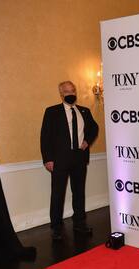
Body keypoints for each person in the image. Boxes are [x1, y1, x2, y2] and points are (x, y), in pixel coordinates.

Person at [41, 81, 98, 240]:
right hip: (59, 159)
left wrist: (87, 141)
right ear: (61, 93)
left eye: (73, 90)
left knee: (79, 192)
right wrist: (48, 159)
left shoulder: (84, 111)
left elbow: (94, 128)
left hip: (79, 157)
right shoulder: (52, 112)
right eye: (67, 91)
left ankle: (80, 223)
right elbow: (45, 137)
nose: (71, 93)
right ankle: (57, 227)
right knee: (57, 194)